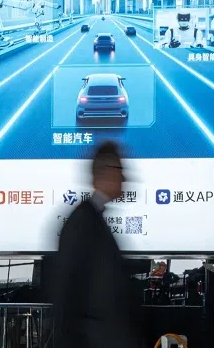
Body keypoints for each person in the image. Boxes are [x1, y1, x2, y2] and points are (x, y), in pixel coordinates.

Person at [50, 141, 140, 348]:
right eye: (121, 170)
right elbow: (66, 290)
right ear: (107, 172)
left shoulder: (93, 219)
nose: (125, 178)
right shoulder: (82, 222)